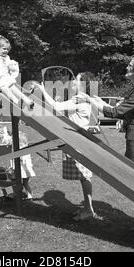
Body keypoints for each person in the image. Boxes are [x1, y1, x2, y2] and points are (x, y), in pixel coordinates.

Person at [76, 57, 134, 231]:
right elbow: (124, 111)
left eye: (130, 65)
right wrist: (99, 101)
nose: (127, 66)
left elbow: (116, 112)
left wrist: (90, 101)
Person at [34, 72, 98, 220]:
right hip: (79, 138)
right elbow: (65, 112)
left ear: (82, 84)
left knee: (85, 176)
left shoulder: (78, 99)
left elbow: (56, 106)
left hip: (78, 140)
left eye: (76, 79)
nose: (73, 81)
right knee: (84, 177)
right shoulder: (81, 98)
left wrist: (43, 90)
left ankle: (88, 210)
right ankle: (88, 208)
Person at [0, 33, 34, 113]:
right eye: (4, 49)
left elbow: (9, 66)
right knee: (6, 89)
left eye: (7, 49)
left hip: (6, 79)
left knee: (15, 89)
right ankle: (16, 101)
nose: (6, 51)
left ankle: (27, 101)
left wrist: (13, 66)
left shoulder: (7, 57)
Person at [9, 131, 36, 200]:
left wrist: (13, 167)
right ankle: (29, 196)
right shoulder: (26, 147)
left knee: (16, 183)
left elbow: (19, 158)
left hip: (21, 168)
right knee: (25, 183)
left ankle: (14, 195)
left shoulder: (19, 148)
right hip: (26, 169)